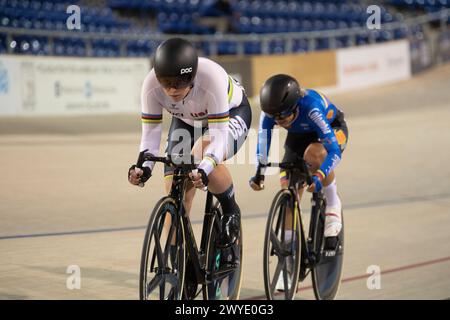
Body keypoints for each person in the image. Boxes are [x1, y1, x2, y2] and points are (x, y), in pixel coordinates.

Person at [128, 38, 252, 264]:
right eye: (166, 82)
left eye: (180, 82)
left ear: (192, 76)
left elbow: (219, 136)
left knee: (201, 152)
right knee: (174, 185)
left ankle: (230, 209)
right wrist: (144, 167)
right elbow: (150, 135)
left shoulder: (211, 77)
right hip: (186, 121)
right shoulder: (150, 85)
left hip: (231, 114)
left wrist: (204, 167)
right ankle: (178, 264)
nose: (172, 89)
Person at [249, 74, 348, 290]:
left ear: (294, 107)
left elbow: (333, 152)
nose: (277, 121)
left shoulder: (311, 107)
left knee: (315, 154)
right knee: (289, 191)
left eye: (282, 118)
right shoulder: (271, 113)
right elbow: (263, 143)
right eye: (273, 117)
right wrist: (260, 172)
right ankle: (289, 263)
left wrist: (320, 176)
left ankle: (332, 203)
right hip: (298, 135)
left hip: (331, 131)